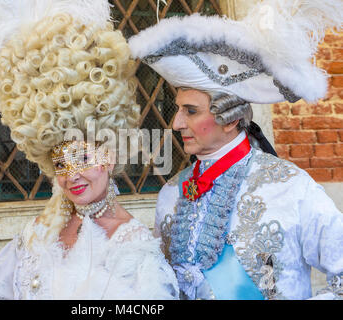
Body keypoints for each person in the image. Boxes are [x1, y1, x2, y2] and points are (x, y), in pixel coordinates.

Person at [0, 0, 179, 299]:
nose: (71, 174)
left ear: (108, 157)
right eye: (60, 163)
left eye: (82, 158)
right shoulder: (37, 235)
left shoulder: (137, 249)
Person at [128, 0, 343, 300]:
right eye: (178, 110)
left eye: (190, 111)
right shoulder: (171, 195)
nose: (176, 123)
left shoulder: (292, 188)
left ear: (229, 120)